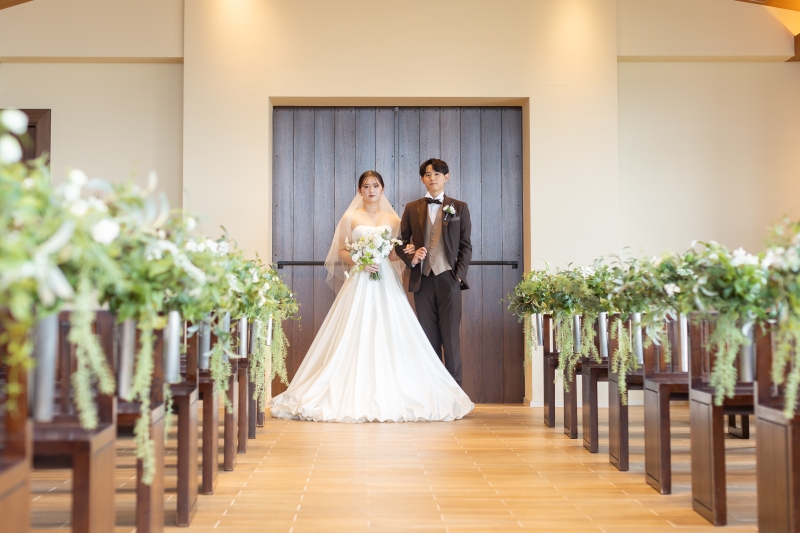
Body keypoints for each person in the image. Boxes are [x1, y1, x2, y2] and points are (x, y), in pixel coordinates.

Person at [270, 170, 474, 423]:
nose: (371, 190)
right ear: (359, 191)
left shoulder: (393, 218)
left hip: (385, 279)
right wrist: (360, 260)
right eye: (366, 186)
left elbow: (395, 251)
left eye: (375, 185)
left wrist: (408, 252)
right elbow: (342, 250)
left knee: (394, 331)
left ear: (382, 189)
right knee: (355, 331)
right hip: (360, 278)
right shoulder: (351, 217)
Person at [396, 159, 472, 386]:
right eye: (427, 175)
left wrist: (458, 275)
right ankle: (433, 392)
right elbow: (399, 243)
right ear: (422, 179)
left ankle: (455, 393)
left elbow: (466, 246)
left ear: (446, 177)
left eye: (437, 174)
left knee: (451, 340)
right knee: (428, 340)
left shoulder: (459, 207)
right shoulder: (411, 208)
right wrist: (411, 257)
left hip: (448, 278)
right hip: (423, 279)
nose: (432, 178)